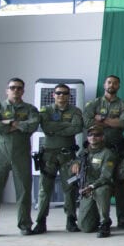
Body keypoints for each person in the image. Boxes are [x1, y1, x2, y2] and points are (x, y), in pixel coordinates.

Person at [0, 78, 40, 238]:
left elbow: (33, 125)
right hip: (0, 154)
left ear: (23, 91)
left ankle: (25, 225)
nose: (16, 90)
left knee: (24, 191)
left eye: (19, 88)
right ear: (7, 90)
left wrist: (9, 123)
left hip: (21, 154)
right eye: (12, 87)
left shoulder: (30, 109)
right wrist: (18, 124)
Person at [83, 75, 124, 229]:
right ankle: (100, 218)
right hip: (95, 151)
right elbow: (87, 122)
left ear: (119, 86)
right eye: (109, 82)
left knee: (120, 185)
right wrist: (112, 121)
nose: (112, 85)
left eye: (115, 83)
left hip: (116, 149)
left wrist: (101, 119)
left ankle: (122, 219)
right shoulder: (94, 103)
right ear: (104, 85)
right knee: (97, 182)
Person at [35, 82, 84, 234]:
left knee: (70, 188)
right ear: (53, 95)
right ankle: (40, 221)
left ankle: (71, 220)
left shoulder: (75, 110)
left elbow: (76, 128)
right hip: (48, 156)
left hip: (67, 156)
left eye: (64, 93)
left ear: (69, 95)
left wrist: (56, 127)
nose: (61, 95)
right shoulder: (46, 110)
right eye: (58, 93)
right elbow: (46, 127)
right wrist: (65, 126)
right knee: (45, 189)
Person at [74, 125, 118, 238]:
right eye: (90, 135)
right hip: (86, 189)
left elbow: (106, 176)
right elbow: (75, 170)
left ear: (102, 137)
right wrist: (75, 164)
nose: (93, 137)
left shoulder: (107, 154)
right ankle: (95, 217)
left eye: (97, 135)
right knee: (85, 227)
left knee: (102, 190)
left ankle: (105, 223)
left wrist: (93, 186)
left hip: (101, 186)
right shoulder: (83, 153)